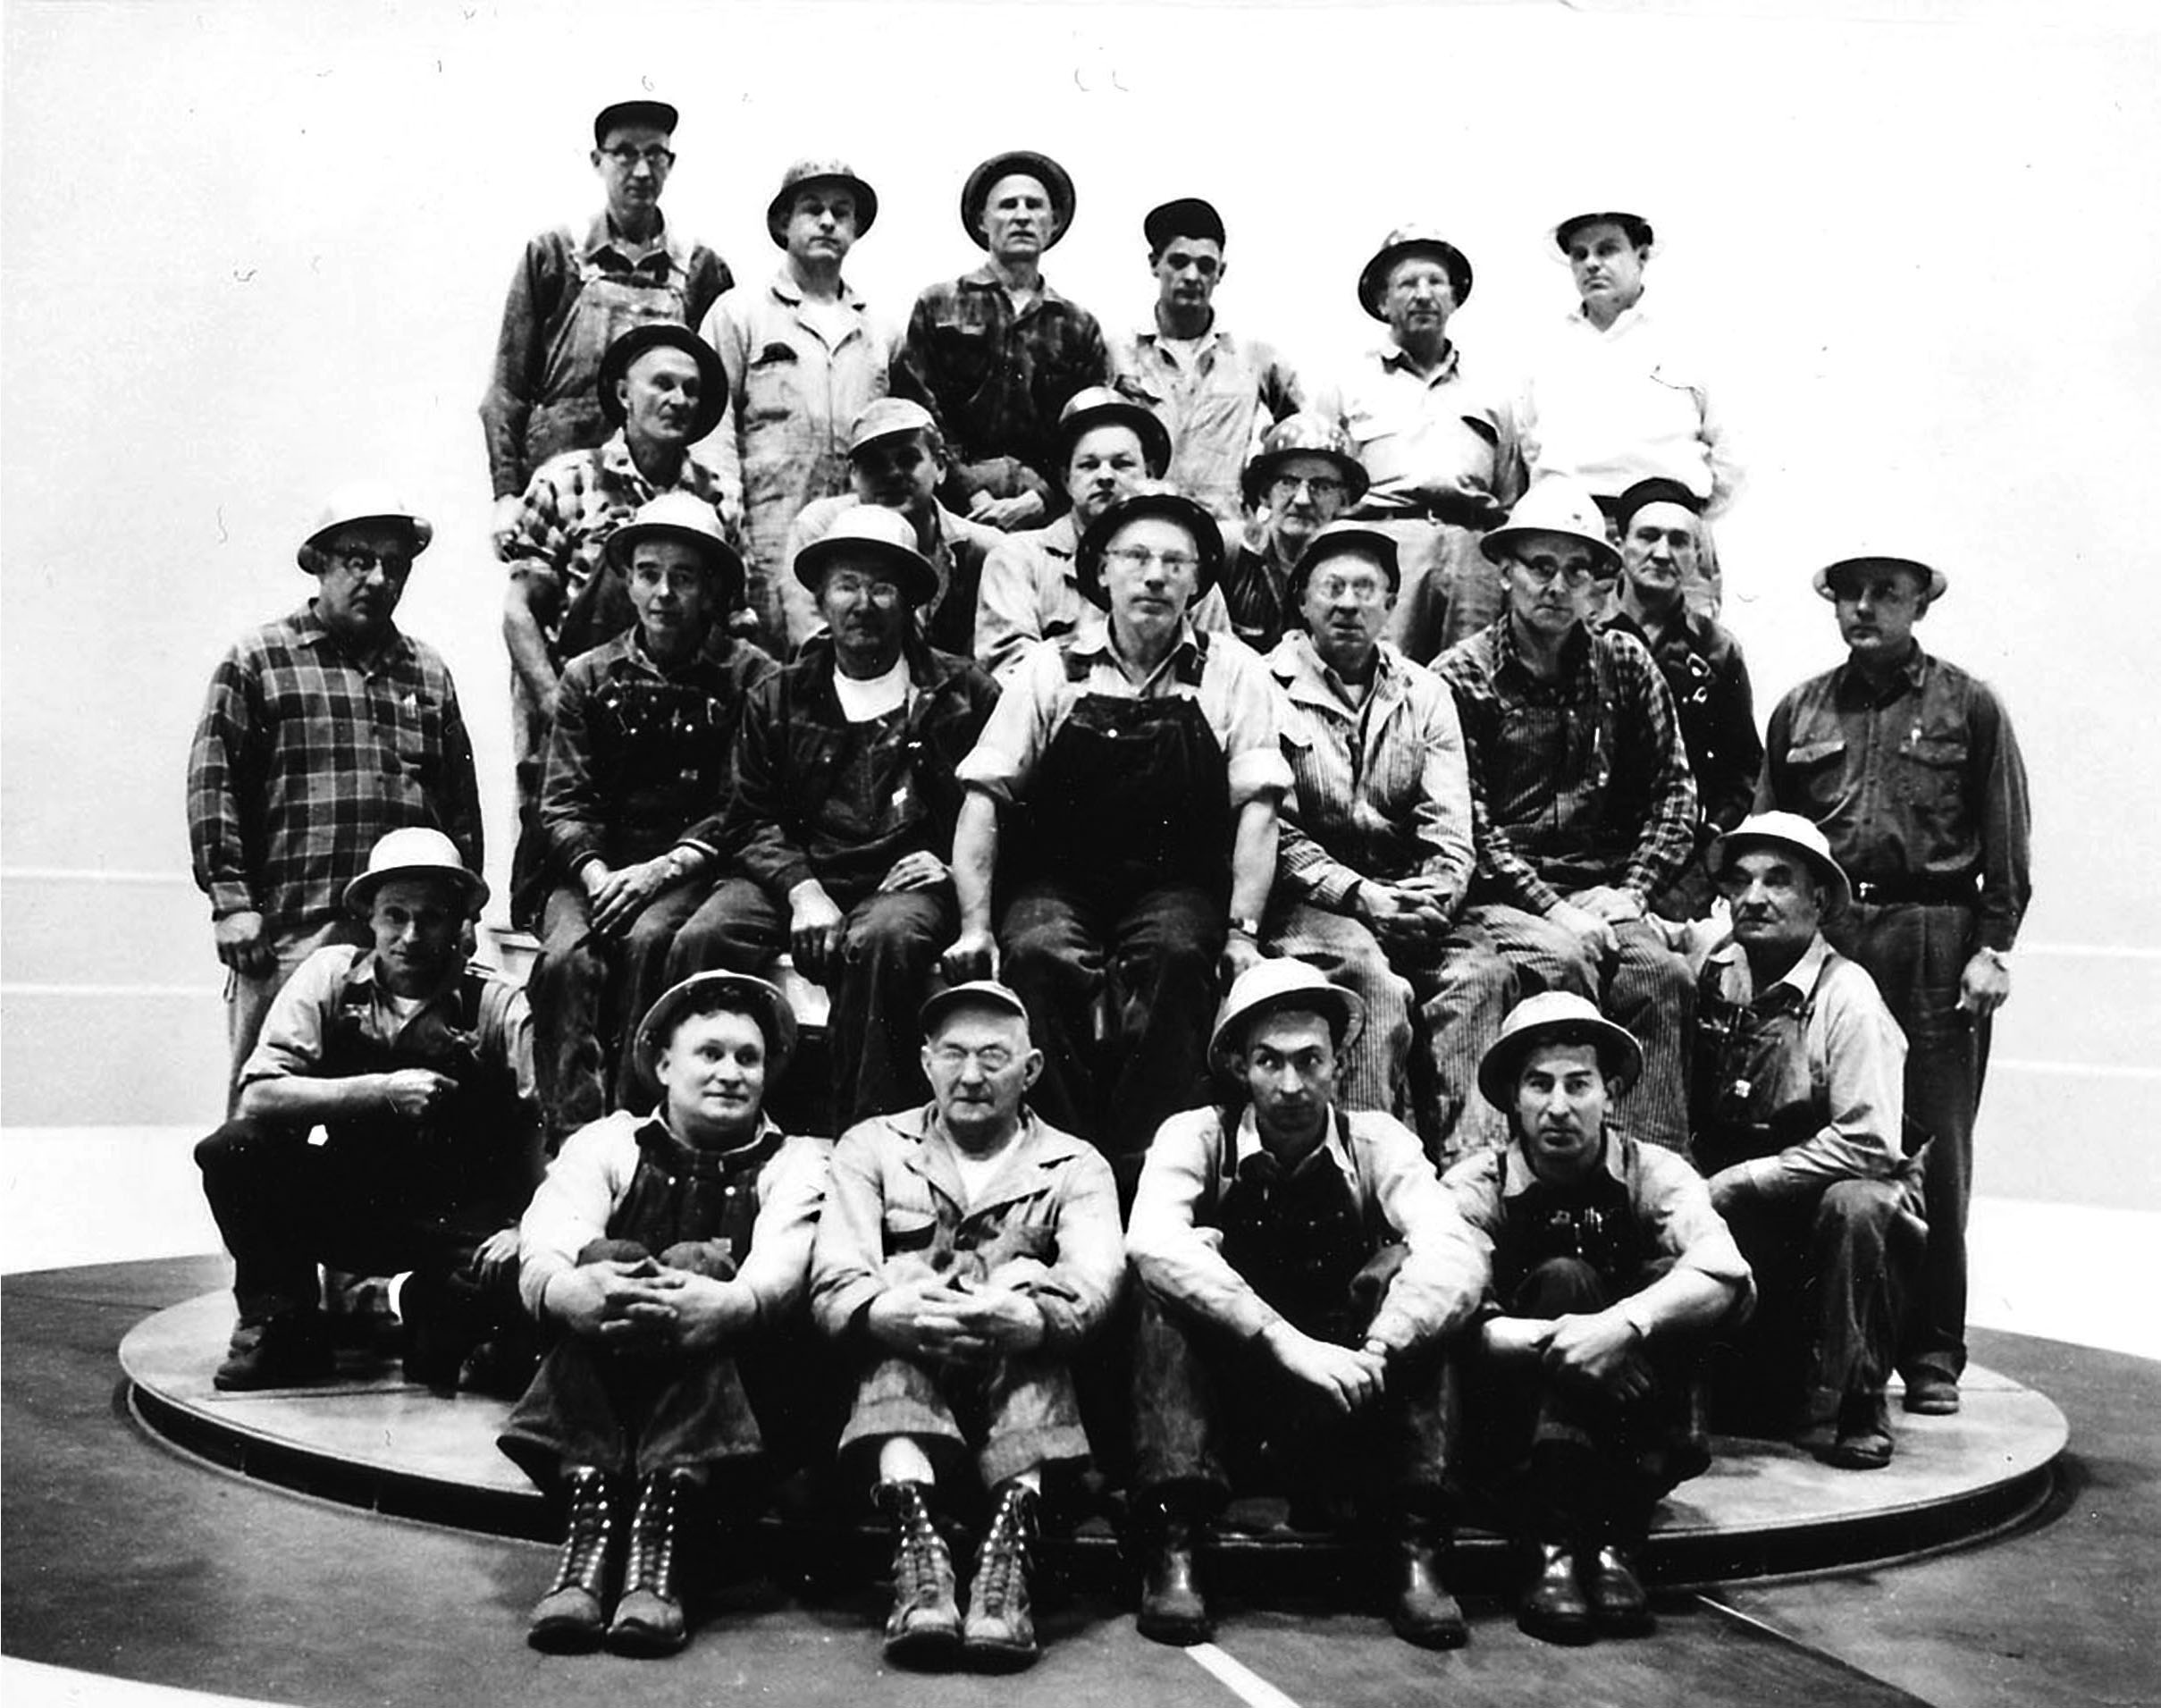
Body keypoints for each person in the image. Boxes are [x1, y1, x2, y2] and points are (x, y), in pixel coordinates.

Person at [1125, 962, 1486, 1651]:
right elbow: (1151, 1240)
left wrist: (1384, 1346)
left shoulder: (1378, 1140)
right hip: (1227, 1399)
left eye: (1308, 1061)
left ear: (1337, 1064)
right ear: (1238, 1065)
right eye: (1269, 1061)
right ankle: (1174, 1543)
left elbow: (1456, 1249)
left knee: (1411, 1279)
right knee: (1162, 1287)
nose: (1290, 1085)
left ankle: (1417, 1543)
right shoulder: (1197, 1136)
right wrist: (1282, 1341)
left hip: (1344, 1398)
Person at [946, 488, 1291, 1182]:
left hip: (1175, 885)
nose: (1155, 575)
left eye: (1175, 561)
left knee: (1175, 958)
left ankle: (1153, 1176)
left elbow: (1259, 809)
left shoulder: (1233, 672)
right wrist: (975, 925)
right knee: (1038, 955)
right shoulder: (1052, 667)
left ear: (1198, 580)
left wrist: (1244, 933)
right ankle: (1055, 1171)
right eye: (1136, 557)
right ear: (1100, 572)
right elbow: (984, 796)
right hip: (1059, 882)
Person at [1757, 551, 2031, 1417]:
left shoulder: (1969, 704)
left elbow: (2005, 830)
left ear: (1920, 604)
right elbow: (1773, 836)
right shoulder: (1802, 706)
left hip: (1933, 938)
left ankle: (1932, 1352)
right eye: (1851, 593)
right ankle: (1821, 1349)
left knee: (1935, 1153)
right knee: (1821, 1133)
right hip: (1833, 937)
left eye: (1886, 593)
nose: (1864, 608)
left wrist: (1995, 946)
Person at [502, 972, 830, 1656]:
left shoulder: (799, 1161)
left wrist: (727, 1303)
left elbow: (781, 1267)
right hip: (611, 1384)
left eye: (749, 1057)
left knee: (701, 1264)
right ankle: (591, 1529)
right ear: (663, 1065)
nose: (730, 1073)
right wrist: (575, 1293)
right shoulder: (607, 1142)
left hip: (741, 1414)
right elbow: (548, 1239)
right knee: (608, 1256)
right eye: (709, 1053)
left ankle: (662, 1536)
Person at [811, 981, 1122, 1671]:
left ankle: (1006, 1566)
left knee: (1035, 1322)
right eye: (953, 1054)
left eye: (994, 1056)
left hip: (1019, 1404)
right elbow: (835, 1276)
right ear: (926, 1062)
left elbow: (1097, 1281)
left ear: (1032, 1068)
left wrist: (1031, 1312)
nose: (972, 1075)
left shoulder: (1075, 1164)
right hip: (905, 1405)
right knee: (893, 1327)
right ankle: (919, 1558)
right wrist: (888, 1308)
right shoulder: (874, 1146)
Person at [675, 507, 1000, 1129]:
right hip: (800, 872)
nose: (864, 603)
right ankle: (701, 1131)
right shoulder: (779, 694)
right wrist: (803, 891)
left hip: (908, 879)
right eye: (847, 585)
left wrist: (945, 855)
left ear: (910, 601)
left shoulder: (964, 692)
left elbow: (993, 801)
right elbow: (748, 815)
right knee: (705, 937)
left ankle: (866, 1142)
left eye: (883, 586)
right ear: (822, 598)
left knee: (883, 941)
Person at [1443, 992, 1752, 1645]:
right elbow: (1458, 1315)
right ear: (1512, 1100)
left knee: (1672, 1282)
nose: (1559, 1106)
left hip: (1629, 1428)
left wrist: (1623, 1329)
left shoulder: (1655, 1171)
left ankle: (1616, 1539)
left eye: (1578, 1084)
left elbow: (1726, 1269)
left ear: (1609, 1094)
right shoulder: (1476, 1183)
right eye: (1539, 1084)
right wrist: (1573, 1341)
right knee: (1565, 1280)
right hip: (1513, 1434)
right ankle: (1551, 1544)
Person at [195, 830, 534, 1392]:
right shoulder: (331, 977)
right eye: (394, 915)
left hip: (457, 1218)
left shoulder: (497, 1003)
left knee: (457, 1358)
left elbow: (547, 1128)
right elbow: (259, 1091)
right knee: (234, 1150)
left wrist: (526, 1228)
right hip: (355, 1202)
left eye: (431, 918)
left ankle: (426, 1310)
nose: (410, 936)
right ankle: (282, 1326)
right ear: (369, 919)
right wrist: (380, 1091)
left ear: (459, 925)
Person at [1425, 477, 1700, 1161]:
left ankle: (1647, 1175)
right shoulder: (1459, 677)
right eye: (1541, 567)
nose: (1557, 585)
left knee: (1663, 977)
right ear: (1507, 570)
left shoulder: (1626, 663)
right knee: (1562, 960)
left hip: (1603, 893)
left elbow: (1676, 792)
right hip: (1496, 900)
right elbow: (1469, 823)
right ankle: (1524, 1176)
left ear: (1600, 584)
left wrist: (1632, 891)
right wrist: (1554, 909)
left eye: (1577, 570)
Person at [188, 484, 483, 1103]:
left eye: (394, 565)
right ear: (319, 562)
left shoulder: (427, 672)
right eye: (358, 559)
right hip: (291, 929)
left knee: (399, 1107)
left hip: (403, 941)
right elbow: (214, 782)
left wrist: (463, 916)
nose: (377, 578)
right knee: (266, 1105)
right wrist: (232, 901)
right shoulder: (260, 660)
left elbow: (460, 805)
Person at [528, 494, 777, 1148]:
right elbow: (562, 799)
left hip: (693, 867)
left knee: (650, 943)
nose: (663, 592)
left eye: (684, 577)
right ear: (628, 580)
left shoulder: (751, 677)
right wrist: (598, 871)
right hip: (598, 867)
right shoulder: (588, 675)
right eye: (647, 572)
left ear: (712, 588)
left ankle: (641, 1131)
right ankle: (575, 1143)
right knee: (564, 959)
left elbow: (742, 800)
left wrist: (661, 870)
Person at [1692, 813, 1921, 1470]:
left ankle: (1862, 1397)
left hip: (1824, 1198)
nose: (1753, 897)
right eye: (1740, 880)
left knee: (1861, 1205)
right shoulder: (1714, 967)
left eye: (1777, 881)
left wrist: (1743, 1181)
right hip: (1748, 1202)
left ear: (1819, 900)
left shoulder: (1848, 998)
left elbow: (1870, 1141)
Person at [500, 323, 735, 926]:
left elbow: (734, 623)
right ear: (624, 393)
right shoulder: (566, 480)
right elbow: (521, 609)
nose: (678, 399)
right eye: (663, 383)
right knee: (563, 885)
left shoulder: (716, 497)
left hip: (676, 724)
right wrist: (557, 704)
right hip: (577, 709)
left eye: (691, 388)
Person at [1261, 521, 1474, 1118]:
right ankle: (1366, 1166)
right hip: (1308, 901)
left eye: (1365, 588)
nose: (1348, 603)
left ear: (1390, 600)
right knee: (1366, 978)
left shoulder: (1425, 692)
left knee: (1479, 974)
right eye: (1331, 587)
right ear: (1302, 600)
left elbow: (1450, 824)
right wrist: (1362, 897)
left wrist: (1431, 899)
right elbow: (1272, 829)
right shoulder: (1261, 684)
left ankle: (1465, 1175)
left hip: (1409, 898)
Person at [480, 99, 731, 533]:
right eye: (625, 153)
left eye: (655, 155)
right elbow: (507, 390)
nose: (641, 170)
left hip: (663, 504)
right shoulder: (553, 256)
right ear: (598, 161)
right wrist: (506, 496)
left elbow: (715, 405)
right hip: (563, 504)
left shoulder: (701, 269)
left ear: (670, 164)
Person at [700, 158, 900, 644]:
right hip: (765, 539)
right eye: (813, 209)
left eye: (842, 211)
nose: (828, 222)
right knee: (764, 678)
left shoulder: (880, 331)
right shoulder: (740, 313)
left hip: (850, 542)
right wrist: (729, 533)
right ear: (784, 223)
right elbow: (712, 429)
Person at [1316, 225, 1526, 662]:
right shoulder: (1348, 385)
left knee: (1475, 679)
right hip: (1384, 547)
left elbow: (1509, 492)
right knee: (1382, 675)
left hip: (1472, 555)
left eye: (1435, 282)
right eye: (1408, 283)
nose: (1424, 294)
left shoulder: (1493, 393)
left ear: (1454, 297)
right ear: (1382, 301)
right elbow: (1325, 489)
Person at [895, 149, 1110, 530]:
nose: (1022, 216)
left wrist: (1038, 499)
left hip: (1046, 515)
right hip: (951, 508)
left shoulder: (1078, 326)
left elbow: (1088, 429)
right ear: (982, 221)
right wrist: (971, 492)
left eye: (1035, 206)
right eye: (1008, 206)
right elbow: (919, 406)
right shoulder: (938, 305)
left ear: (1054, 221)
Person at [1597, 478, 1762, 922]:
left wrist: (1709, 846)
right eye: (1648, 536)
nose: (1663, 553)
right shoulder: (1583, 638)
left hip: (1678, 877)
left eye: (1679, 541)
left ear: (1696, 556)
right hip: (1586, 862)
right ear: (1620, 543)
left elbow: (1742, 769)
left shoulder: (1716, 652)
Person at [1521, 207, 1742, 531]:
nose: (1591, 264)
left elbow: (1732, 450)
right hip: (1571, 533)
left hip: (1665, 527)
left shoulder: (1689, 338)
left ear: (1641, 256)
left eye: (1607, 250)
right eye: (1580, 255)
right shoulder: (1547, 347)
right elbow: (1530, 444)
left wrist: (1689, 520)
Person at [972, 384, 1204, 682]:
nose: (1105, 476)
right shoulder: (1018, 560)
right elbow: (1010, 674)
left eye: (1122, 464)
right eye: (1089, 465)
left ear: (1151, 472)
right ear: (1066, 479)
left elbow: (1214, 668)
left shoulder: (1183, 563)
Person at [1108, 197, 1304, 526]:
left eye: (1205, 266)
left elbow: (1305, 432)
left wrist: (1270, 503)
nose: (1191, 275)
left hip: (1224, 533)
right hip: (1138, 526)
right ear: (1155, 263)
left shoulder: (1253, 357)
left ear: (1220, 273)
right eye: (1179, 262)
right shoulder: (1117, 352)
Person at [781, 398, 1004, 656]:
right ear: (853, 475)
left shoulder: (984, 551)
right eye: (875, 464)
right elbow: (812, 645)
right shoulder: (818, 531)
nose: (892, 474)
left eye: (908, 459)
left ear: (940, 466)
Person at [1217, 414, 1367, 653]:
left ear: (1344, 500)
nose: (1302, 500)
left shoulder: (1355, 571)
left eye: (1322, 487)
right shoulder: (1230, 551)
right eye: (1288, 482)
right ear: (1265, 493)